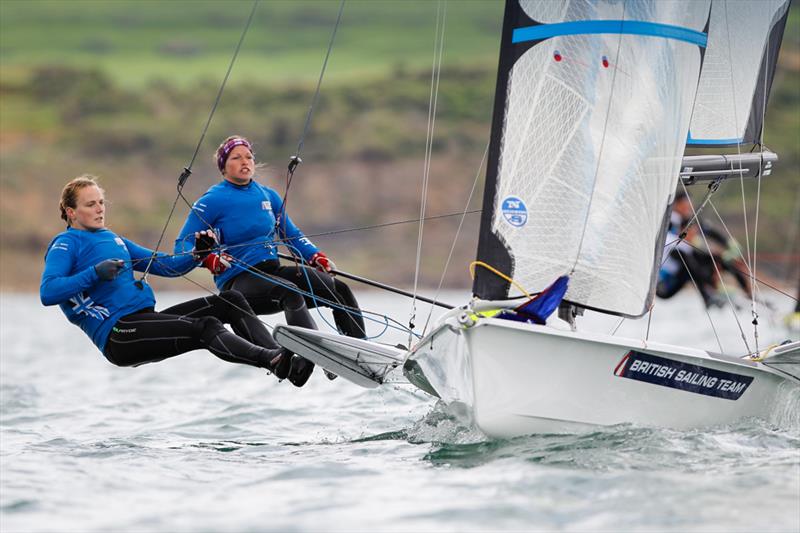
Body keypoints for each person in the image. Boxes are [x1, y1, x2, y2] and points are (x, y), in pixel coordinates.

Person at [40, 175, 307, 385]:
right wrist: (94, 273)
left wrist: (198, 254)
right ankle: (270, 359)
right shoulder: (66, 244)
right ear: (71, 212)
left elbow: (166, 266)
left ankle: (284, 362)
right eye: (90, 204)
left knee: (230, 301)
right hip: (119, 335)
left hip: (145, 319)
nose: (99, 209)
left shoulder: (112, 238)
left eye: (101, 202)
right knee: (206, 326)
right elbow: (48, 292)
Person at [174, 135, 366, 386]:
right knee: (290, 292)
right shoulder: (212, 201)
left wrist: (315, 256)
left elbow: (291, 234)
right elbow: (182, 245)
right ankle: (319, 357)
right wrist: (209, 260)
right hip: (239, 281)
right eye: (236, 157)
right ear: (223, 167)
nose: (245, 161)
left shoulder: (269, 196)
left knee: (337, 288)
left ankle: (361, 355)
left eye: (249, 156)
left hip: (273, 271)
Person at [657, 189, 752, 307]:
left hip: (683, 272)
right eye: (685, 205)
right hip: (664, 288)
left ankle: (749, 295)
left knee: (720, 259)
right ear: (676, 204)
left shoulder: (689, 222)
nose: (689, 208)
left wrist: (729, 245)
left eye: (689, 205)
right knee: (686, 257)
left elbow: (710, 232)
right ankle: (709, 295)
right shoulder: (667, 222)